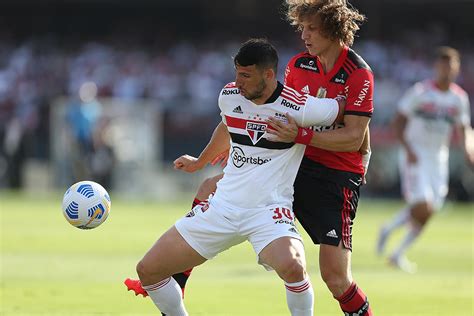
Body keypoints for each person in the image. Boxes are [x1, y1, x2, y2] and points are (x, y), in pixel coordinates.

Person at [128, 1, 374, 315]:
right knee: (208, 187)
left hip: (333, 172)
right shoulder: (299, 65)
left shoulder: (359, 73)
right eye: (303, 27)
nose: (304, 34)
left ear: (333, 28)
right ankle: (176, 280)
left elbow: (353, 130)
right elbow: (266, 109)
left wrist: (357, 155)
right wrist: (222, 151)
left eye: (312, 28)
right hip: (296, 161)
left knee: (335, 277)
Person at [376, 46, 473, 273]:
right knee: (424, 204)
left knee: (431, 209)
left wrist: (468, 148)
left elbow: (464, 127)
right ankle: (394, 243)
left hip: (439, 156)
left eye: (451, 67)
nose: (446, 71)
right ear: (436, 67)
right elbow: (398, 121)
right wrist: (407, 148)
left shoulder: (459, 98)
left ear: (456, 69)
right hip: (416, 154)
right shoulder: (420, 92)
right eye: (443, 66)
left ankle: (393, 244)